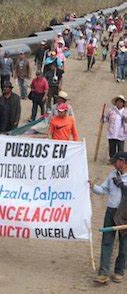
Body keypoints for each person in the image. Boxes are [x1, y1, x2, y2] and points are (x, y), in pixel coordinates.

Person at [89, 151, 127, 284]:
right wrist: (93, 186)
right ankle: (104, 273)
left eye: (116, 161)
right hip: (111, 212)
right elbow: (103, 190)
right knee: (107, 241)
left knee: (124, 245)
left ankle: (119, 271)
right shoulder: (112, 175)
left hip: (126, 214)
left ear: (122, 162)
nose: (114, 164)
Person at [103, 95, 127, 160]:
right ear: (116, 102)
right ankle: (112, 160)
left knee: (121, 149)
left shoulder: (125, 111)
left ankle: (121, 161)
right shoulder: (111, 110)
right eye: (118, 101)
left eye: (121, 102)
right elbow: (106, 119)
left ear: (123, 103)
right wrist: (103, 119)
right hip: (112, 132)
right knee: (112, 148)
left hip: (121, 133)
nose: (119, 103)